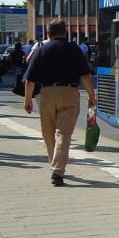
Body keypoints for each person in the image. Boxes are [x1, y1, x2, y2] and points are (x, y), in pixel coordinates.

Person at [22, 18, 97, 186]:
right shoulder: (75, 50)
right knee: (64, 134)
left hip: (47, 93)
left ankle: (55, 166)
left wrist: (28, 99)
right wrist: (92, 95)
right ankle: (57, 171)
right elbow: (85, 75)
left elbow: (30, 78)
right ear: (65, 33)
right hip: (70, 93)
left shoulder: (42, 49)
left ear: (48, 34)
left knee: (48, 133)